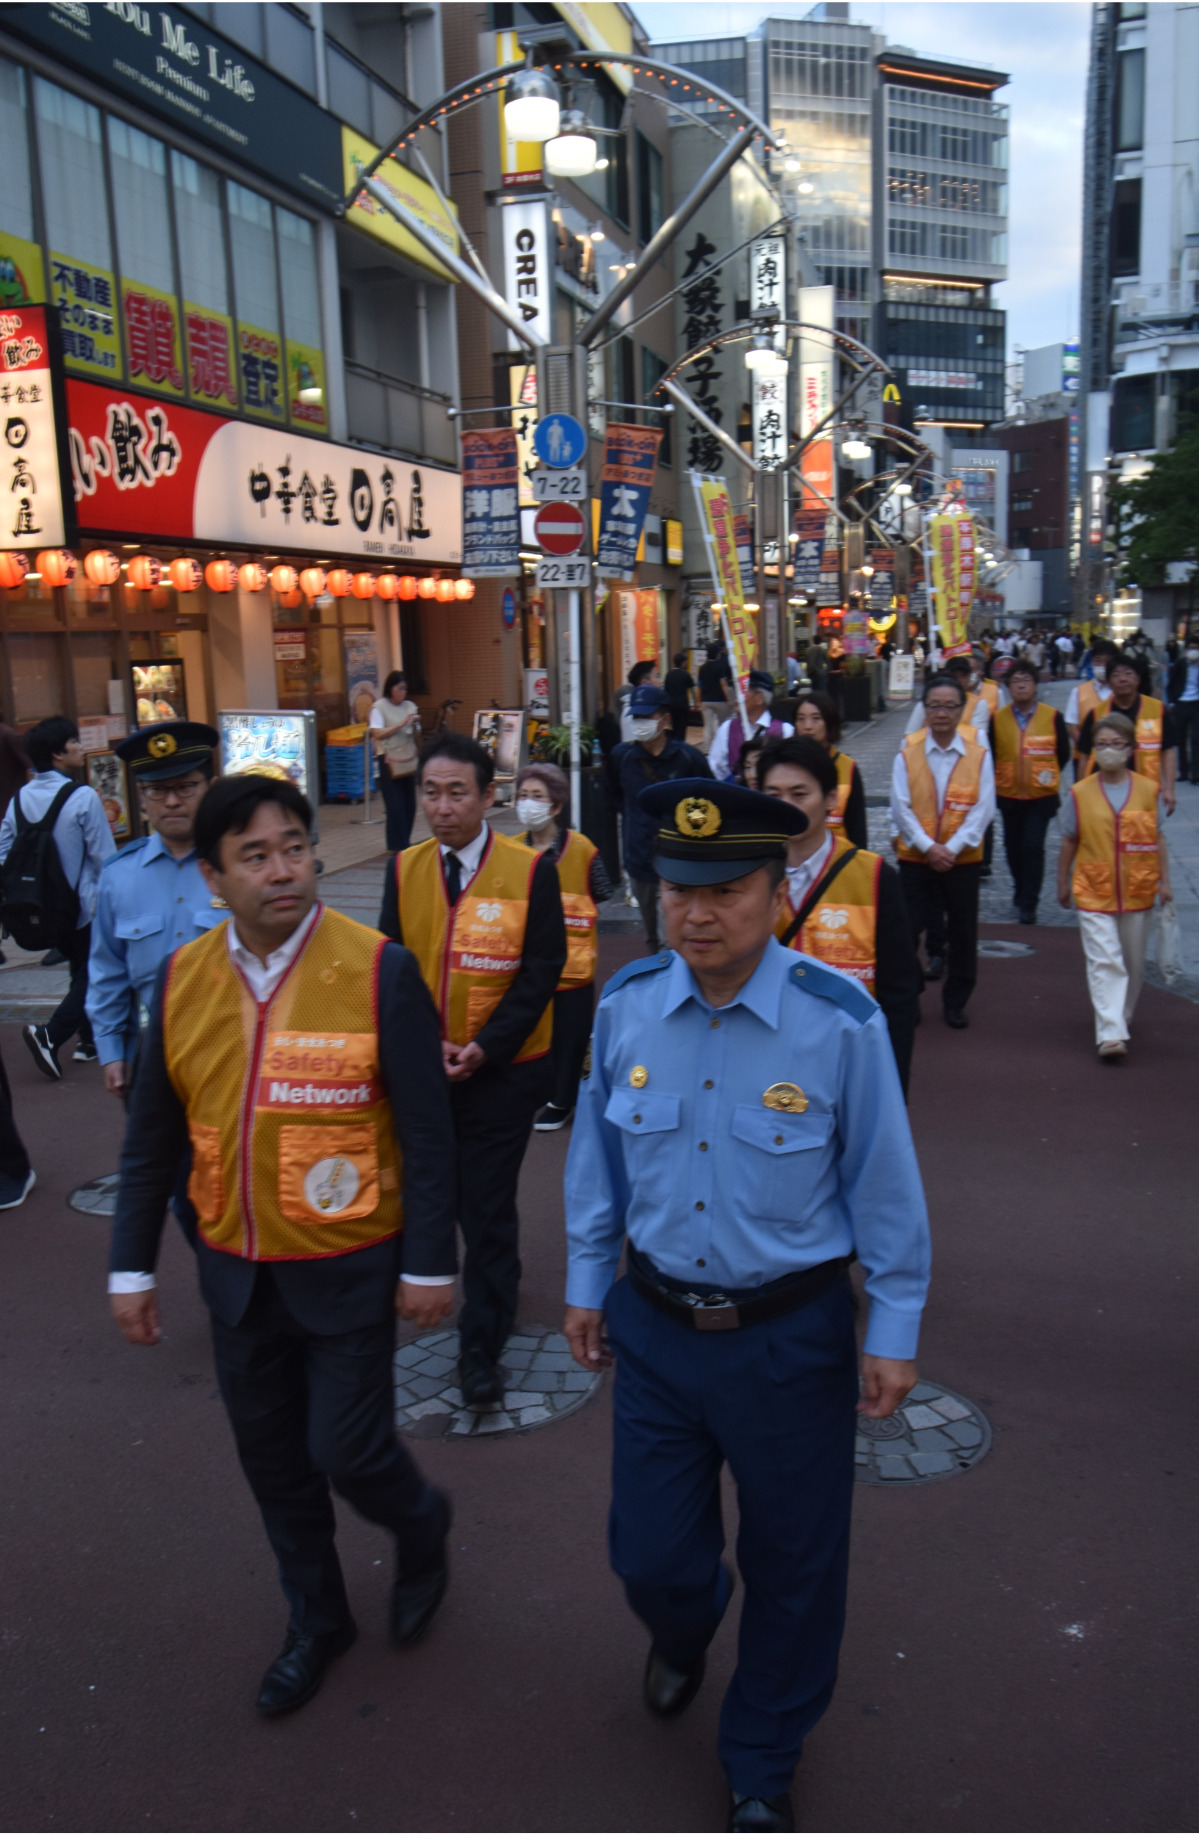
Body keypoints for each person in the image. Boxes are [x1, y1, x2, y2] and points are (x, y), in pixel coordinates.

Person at [562, 779, 930, 1834]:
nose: (696, 914)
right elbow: (597, 1164)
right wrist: (589, 1281)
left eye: (725, 890)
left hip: (788, 1340)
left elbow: (884, 1187)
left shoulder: (838, 1023)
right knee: (650, 1556)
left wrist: (893, 1325)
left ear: (777, 890)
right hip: (658, 1331)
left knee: (794, 1562)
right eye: (677, 891)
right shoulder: (628, 1005)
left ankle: (762, 1748)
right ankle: (682, 1628)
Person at [109, 775, 458, 1715]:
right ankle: (317, 1618)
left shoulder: (378, 968)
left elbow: (428, 1132)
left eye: (295, 847)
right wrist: (133, 1265)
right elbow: (152, 1138)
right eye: (255, 855)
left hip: (349, 1268)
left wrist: (430, 1259)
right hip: (234, 1274)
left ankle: (422, 1525)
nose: (283, 870)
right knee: (273, 1462)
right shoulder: (181, 979)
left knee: (346, 1448)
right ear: (215, 878)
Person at [379, 733, 566, 1408]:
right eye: (430, 791)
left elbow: (541, 971)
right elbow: (389, 971)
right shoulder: (403, 870)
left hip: (504, 1070)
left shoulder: (528, 870)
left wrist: (485, 1045)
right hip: (426, 1071)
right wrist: (424, 1045)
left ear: (489, 796)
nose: (442, 806)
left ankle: (480, 1345)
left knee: (484, 1203)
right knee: (434, 1192)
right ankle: (460, 1285)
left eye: (458, 791)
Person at [760, 736, 920, 1094]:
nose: (786, 806)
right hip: (764, 1058)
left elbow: (900, 992)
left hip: (849, 1061)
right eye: (773, 796)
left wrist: (892, 1086)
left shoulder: (874, 878)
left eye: (799, 795)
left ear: (831, 799)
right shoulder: (746, 875)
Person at [88, 723, 222, 1101]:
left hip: (231, 1050)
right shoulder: (119, 876)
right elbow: (107, 971)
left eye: (184, 787)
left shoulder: (236, 863)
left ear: (209, 788)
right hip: (152, 1056)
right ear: (142, 799)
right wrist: (112, 1051)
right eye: (157, 790)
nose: (172, 802)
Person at [0, 716, 115, 1080]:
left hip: (39, 904)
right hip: (83, 904)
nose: (80, 747)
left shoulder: (21, 798)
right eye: (73, 742)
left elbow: (3, 849)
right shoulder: (82, 797)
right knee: (96, 972)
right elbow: (105, 857)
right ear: (57, 753)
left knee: (79, 968)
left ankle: (89, 1040)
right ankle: (50, 1035)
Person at [1057, 710, 1172, 1060]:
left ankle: (1120, 1016)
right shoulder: (1079, 794)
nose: (1109, 750)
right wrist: (1062, 882)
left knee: (1134, 964)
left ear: (1130, 748)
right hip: (1094, 889)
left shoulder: (1149, 791)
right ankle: (1110, 1033)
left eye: (1116, 743)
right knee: (1105, 958)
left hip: (1138, 889)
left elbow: (1159, 838)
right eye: (1102, 743)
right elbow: (1069, 841)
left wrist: (1165, 882)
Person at [511, 761, 613, 1132]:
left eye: (537, 796)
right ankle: (540, 1091)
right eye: (522, 795)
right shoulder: (509, 851)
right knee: (530, 1032)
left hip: (573, 970)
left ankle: (563, 1099)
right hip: (526, 967)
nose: (527, 803)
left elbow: (601, 890)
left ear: (555, 806)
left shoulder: (582, 849)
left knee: (570, 1037)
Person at [891, 673, 996, 1028]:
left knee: (963, 932)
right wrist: (927, 847)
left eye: (949, 706)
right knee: (906, 931)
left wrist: (949, 848)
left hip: (962, 858)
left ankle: (956, 1000)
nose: (941, 713)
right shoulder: (908, 749)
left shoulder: (979, 754)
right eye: (934, 706)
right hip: (915, 858)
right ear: (924, 708)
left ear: (961, 710)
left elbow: (983, 809)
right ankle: (911, 992)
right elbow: (900, 808)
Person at [610, 684, 711, 954]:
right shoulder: (623, 757)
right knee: (651, 936)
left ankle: (675, 987)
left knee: (672, 938)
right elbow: (617, 797)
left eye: (647, 716)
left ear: (665, 720)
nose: (640, 724)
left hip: (678, 858)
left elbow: (707, 800)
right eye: (636, 717)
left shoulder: (687, 758)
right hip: (639, 859)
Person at [991, 658, 1071, 924]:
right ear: (1008, 688)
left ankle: (1029, 902)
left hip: (1041, 797)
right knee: (1012, 847)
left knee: (1033, 846)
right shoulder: (998, 719)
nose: (1021, 686)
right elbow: (992, 754)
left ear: (1035, 685)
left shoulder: (1052, 717)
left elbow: (1063, 754)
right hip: (1009, 795)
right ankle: (1019, 887)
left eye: (1026, 680)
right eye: (1016, 681)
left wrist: (1044, 774)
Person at [1076, 650, 1177, 813]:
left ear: (1138, 679)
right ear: (1108, 682)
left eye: (1128, 674)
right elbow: (1085, 755)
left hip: (1145, 790)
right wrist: (1080, 791)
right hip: (1103, 790)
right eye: (1116, 675)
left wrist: (1169, 789)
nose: (1122, 679)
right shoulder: (1096, 714)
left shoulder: (1158, 710)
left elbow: (1168, 750)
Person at [793, 690, 868, 847]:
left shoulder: (847, 767)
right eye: (801, 719)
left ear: (830, 722)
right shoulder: (788, 767)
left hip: (839, 857)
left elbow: (857, 827)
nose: (807, 726)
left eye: (816, 719)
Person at [709, 669, 793, 782]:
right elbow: (715, 770)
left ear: (760, 699)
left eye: (743, 692)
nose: (737, 697)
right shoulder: (727, 728)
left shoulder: (785, 731)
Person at [369, 670, 420, 853]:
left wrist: (414, 725)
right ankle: (398, 844)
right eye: (399, 688)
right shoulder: (379, 707)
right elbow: (376, 733)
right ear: (390, 688)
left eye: (405, 689)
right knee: (394, 804)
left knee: (410, 804)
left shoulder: (410, 706)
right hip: (389, 759)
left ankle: (403, 841)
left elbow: (416, 733)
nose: (403, 692)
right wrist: (399, 725)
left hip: (407, 758)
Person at [904, 654, 991, 743]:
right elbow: (910, 736)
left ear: (969, 677)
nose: (959, 679)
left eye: (963, 675)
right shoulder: (925, 702)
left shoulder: (979, 704)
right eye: (955, 675)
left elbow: (978, 738)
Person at [1066, 636, 1116, 774]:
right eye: (1097, 662)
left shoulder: (1122, 692)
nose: (1102, 666)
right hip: (1084, 757)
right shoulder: (1078, 691)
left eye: (1107, 662)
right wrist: (1088, 747)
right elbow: (1072, 726)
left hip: (1118, 757)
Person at [1165, 634, 1199, 784]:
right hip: (1181, 703)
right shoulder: (1180, 664)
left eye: (1197, 649)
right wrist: (1172, 702)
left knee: (1196, 739)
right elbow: (1171, 684)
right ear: (1186, 650)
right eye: (1191, 648)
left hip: (1196, 704)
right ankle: (1183, 771)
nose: (1194, 651)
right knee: (1180, 738)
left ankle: (1195, 773)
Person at [697, 643, 732, 750]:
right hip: (720, 700)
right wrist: (729, 699)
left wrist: (699, 700)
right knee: (723, 725)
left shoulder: (702, 668)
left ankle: (707, 748)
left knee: (707, 725)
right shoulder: (720, 666)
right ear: (717, 654)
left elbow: (699, 686)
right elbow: (723, 684)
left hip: (706, 700)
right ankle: (722, 746)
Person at [618, 659, 661, 742]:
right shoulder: (631, 712)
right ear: (644, 683)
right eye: (657, 676)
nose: (660, 681)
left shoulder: (653, 705)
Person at [663, 650, 697, 744]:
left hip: (671, 705)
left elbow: (665, 690)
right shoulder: (685, 674)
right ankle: (681, 744)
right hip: (683, 704)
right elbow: (692, 689)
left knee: (674, 726)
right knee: (682, 727)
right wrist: (694, 703)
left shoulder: (669, 675)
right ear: (682, 662)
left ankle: (675, 742)